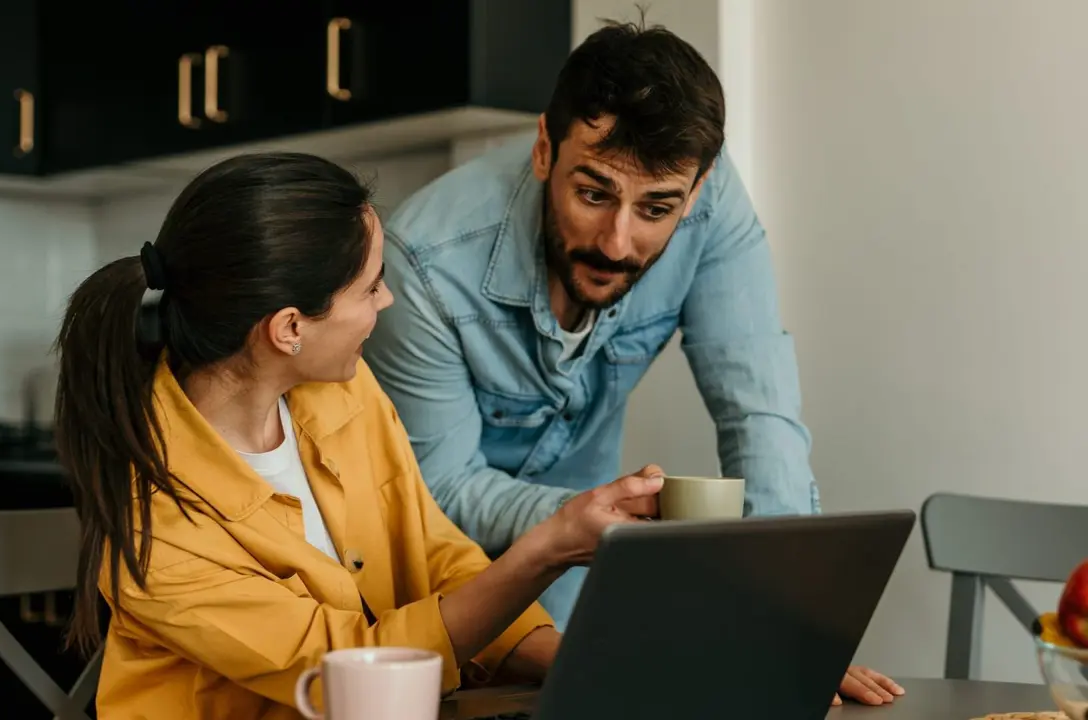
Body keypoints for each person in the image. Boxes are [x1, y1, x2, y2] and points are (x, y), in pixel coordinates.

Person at [363, 20, 903, 707]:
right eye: (593, 194)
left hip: (590, 565)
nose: (618, 242)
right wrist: (594, 519)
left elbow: (758, 414)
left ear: (698, 189)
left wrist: (787, 624)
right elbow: (437, 488)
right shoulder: (424, 264)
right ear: (542, 150)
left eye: (656, 209)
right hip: (436, 579)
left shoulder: (711, 209)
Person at [52, 152, 666, 719]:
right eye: (370, 286)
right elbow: (353, 672)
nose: (389, 298)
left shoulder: (343, 389)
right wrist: (549, 548)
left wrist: (574, 663)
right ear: (290, 328)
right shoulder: (160, 529)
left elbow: (434, 556)